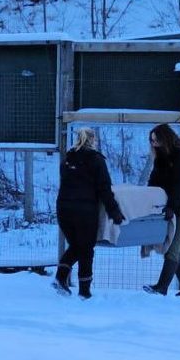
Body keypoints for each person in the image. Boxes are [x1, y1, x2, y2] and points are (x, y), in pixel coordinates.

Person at [53, 127, 125, 300]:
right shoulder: (96, 160)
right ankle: (84, 291)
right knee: (85, 249)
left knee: (77, 246)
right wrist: (114, 211)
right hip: (84, 211)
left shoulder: (67, 160)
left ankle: (61, 277)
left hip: (63, 209)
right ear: (93, 141)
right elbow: (104, 188)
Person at [143, 124, 180, 297]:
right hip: (174, 209)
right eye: (152, 141)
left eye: (156, 140)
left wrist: (171, 206)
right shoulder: (160, 160)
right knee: (173, 248)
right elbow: (153, 182)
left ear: (165, 139)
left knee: (172, 249)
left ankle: (162, 287)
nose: (154, 144)